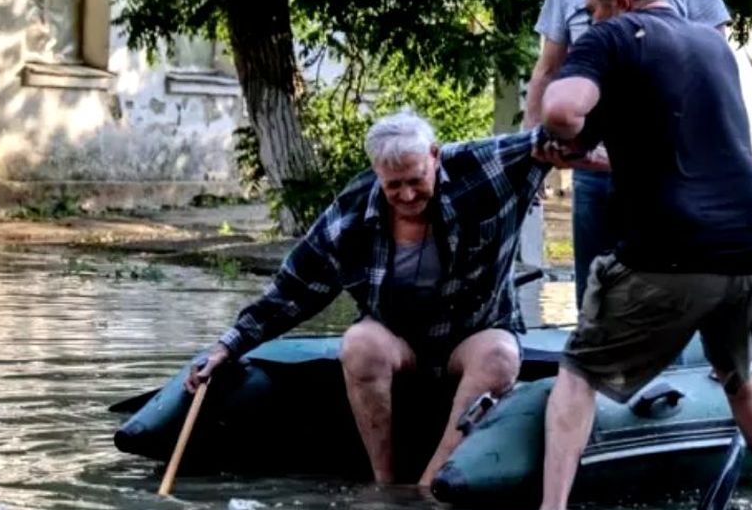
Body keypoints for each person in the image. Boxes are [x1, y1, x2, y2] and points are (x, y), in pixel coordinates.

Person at [534, 0, 752, 510]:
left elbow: (564, 111)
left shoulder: (613, 35)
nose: (592, 20)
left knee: (579, 371)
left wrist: (555, 114)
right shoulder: (712, 45)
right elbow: (677, 147)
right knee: (740, 370)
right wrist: (587, 154)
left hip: (673, 251)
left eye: (594, 8)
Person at [189, 110, 549, 487]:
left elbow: (557, 137)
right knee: (358, 342)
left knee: (501, 355)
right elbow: (292, 290)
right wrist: (227, 347)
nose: (407, 195)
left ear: (435, 155)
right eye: (394, 186)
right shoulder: (350, 215)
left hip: (474, 333)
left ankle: (431, 486)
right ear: (376, 172)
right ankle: (384, 484)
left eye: (416, 180)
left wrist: (597, 159)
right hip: (399, 339)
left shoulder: (482, 167)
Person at [523, 0, 732, 306]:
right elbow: (548, 71)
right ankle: (593, 370)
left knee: (665, 295)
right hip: (596, 171)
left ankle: (667, 371)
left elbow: (714, 71)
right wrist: (530, 154)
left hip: (670, 173)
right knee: (595, 298)